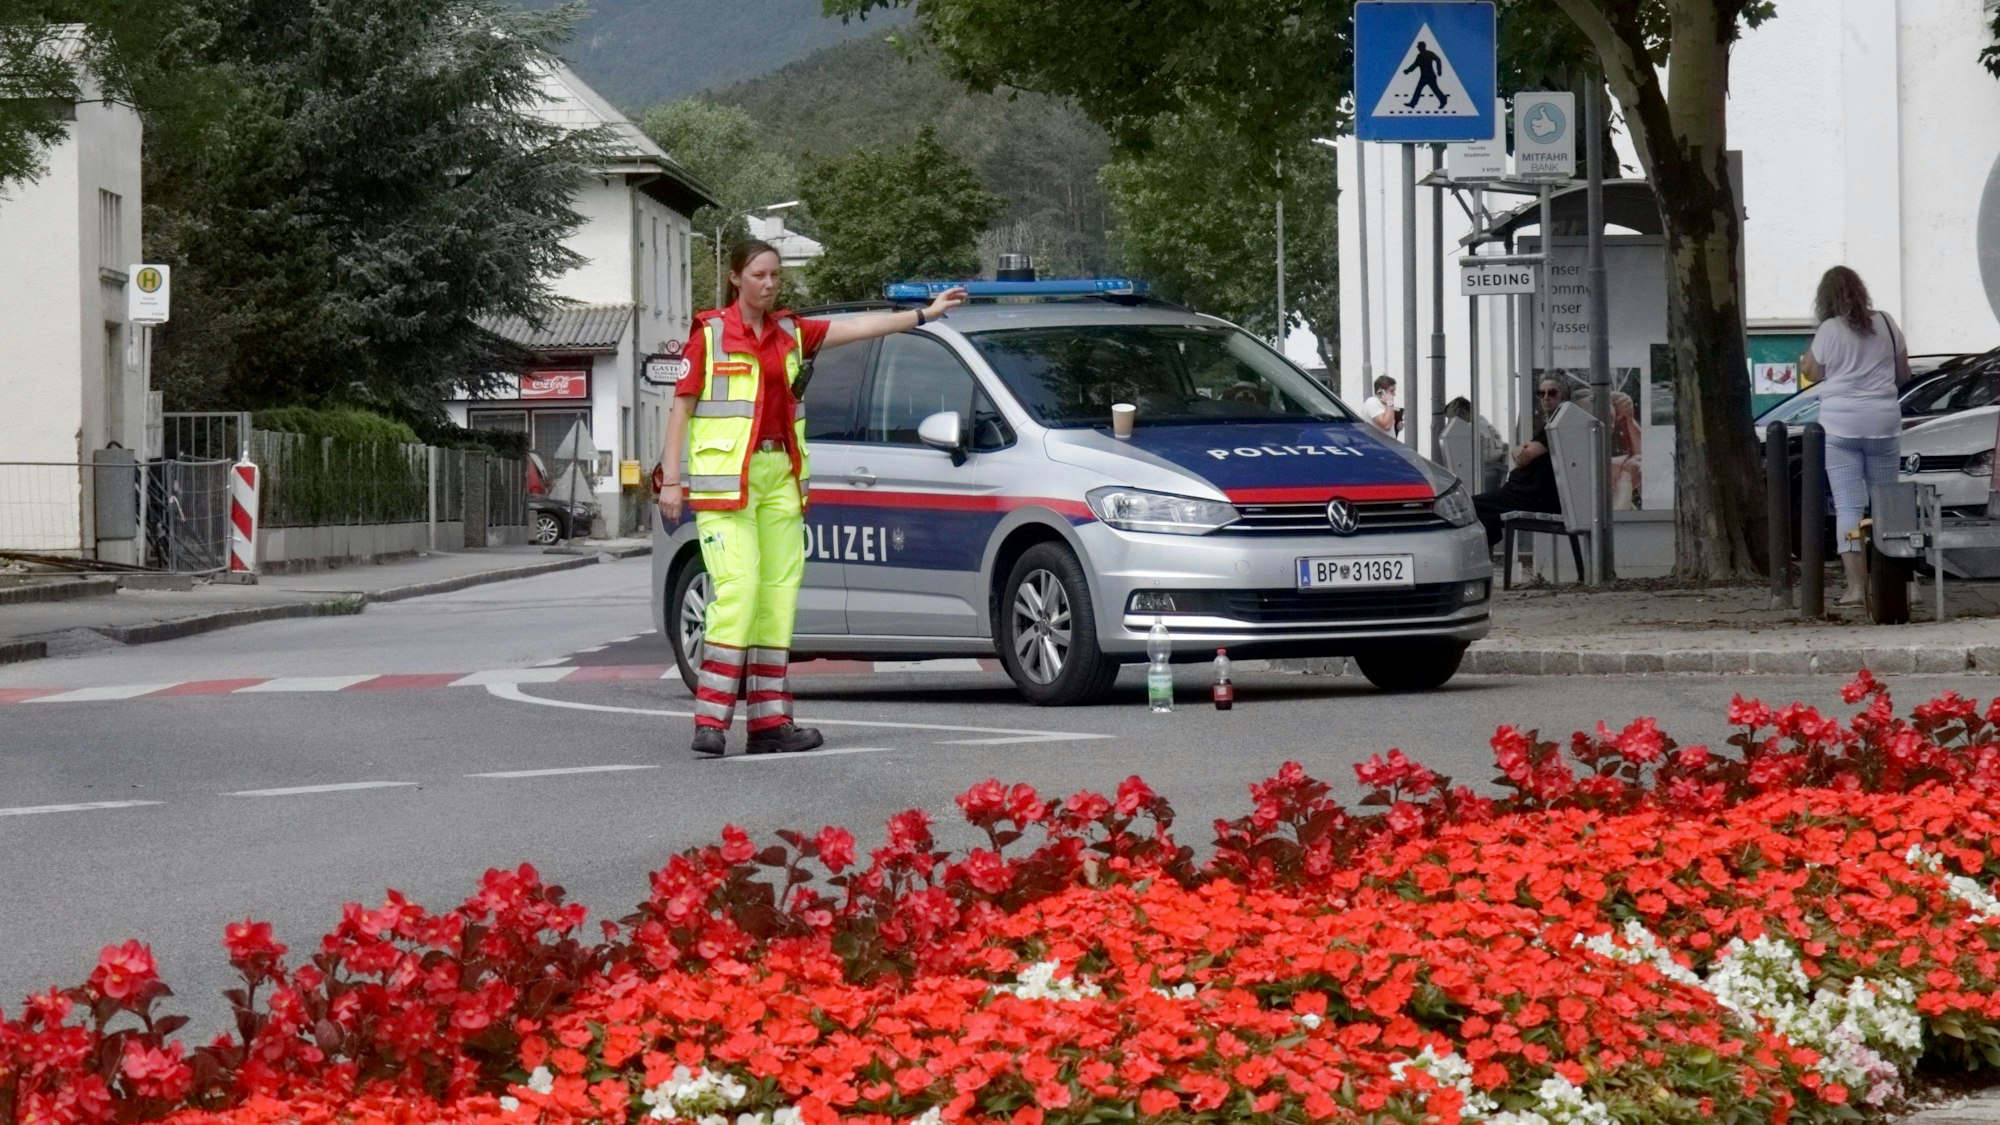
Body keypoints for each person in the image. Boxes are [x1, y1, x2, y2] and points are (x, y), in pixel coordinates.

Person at [659, 240, 966, 756]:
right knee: (738, 592)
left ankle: (769, 723)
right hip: (725, 486)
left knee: (778, 599)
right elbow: (680, 411)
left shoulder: (790, 332)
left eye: (775, 274)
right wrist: (671, 479)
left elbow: (858, 328)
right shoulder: (710, 336)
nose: (769, 283)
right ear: (736, 278)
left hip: (780, 476)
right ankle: (710, 722)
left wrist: (922, 315)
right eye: (759, 274)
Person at [1797, 265, 1911, 607]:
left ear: (1826, 298)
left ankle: (1857, 589)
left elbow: (1813, 372)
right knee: (1886, 505)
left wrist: (1807, 360)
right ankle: (1905, 585)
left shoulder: (1830, 329)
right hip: (1883, 424)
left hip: (1841, 427)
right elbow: (1902, 374)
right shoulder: (1888, 323)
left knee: (1849, 507)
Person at [1472, 377, 1566, 548]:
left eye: (1552, 392)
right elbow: (1519, 454)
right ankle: (1485, 547)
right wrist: (1519, 451)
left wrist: (1521, 450)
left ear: (1562, 396)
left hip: (1530, 495)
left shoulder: (1559, 424)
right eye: (1541, 393)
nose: (1546, 397)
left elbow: (1526, 454)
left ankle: (1483, 548)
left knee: (1469, 505)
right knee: (1484, 514)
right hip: (1524, 492)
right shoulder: (1550, 425)